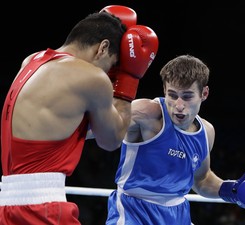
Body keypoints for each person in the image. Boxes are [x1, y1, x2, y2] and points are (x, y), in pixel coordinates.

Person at [0, 5, 159, 225]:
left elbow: (67, 128)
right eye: (111, 65)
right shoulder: (91, 77)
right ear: (102, 48)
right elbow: (112, 139)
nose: (107, 73)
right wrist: (128, 78)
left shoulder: (32, 61)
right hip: (43, 208)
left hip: (9, 203)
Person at [105, 54, 245, 225]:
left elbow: (201, 180)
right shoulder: (147, 113)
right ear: (164, 90)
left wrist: (233, 190)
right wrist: (118, 82)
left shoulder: (206, 132)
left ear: (204, 93)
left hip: (179, 214)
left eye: (187, 96)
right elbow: (99, 124)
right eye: (172, 95)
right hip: (133, 211)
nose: (178, 105)